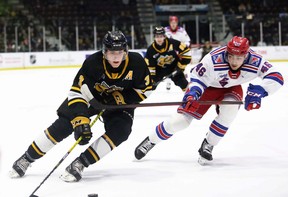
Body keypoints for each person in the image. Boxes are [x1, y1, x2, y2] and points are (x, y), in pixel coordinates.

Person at [9, 30, 152, 182]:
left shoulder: (136, 62)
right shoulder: (93, 63)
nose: (116, 56)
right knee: (63, 126)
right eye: (111, 52)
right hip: (91, 98)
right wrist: (80, 119)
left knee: (121, 131)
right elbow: (77, 91)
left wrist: (122, 98)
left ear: (125, 51)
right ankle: (27, 158)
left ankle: (80, 163)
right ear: (104, 52)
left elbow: (145, 90)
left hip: (120, 103)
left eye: (119, 51)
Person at [134, 36, 284, 165]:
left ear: (246, 55)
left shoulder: (256, 60)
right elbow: (198, 79)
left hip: (231, 88)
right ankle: (151, 140)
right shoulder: (213, 59)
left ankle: (209, 144)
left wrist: (261, 91)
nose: (234, 61)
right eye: (231, 56)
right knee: (180, 122)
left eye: (239, 57)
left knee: (229, 111)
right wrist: (192, 95)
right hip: (208, 87)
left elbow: (276, 76)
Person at [146, 26, 191, 92]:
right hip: (159, 70)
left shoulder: (172, 43)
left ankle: (191, 98)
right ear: (154, 37)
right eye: (157, 37)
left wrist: (180, 67)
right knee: (148, 86)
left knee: (184, 84)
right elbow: (150, 66)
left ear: (164, 36)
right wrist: (152, 79)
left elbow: (186, 51)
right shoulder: (151, 50)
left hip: (174, 67)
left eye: (161, 36)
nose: (159, 39)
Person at [164, 15, 191, 90]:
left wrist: (182, 49)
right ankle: (168, 80)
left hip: (180, 54)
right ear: (169, 23)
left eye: (175, 22)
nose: (173, 24)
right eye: (172, 22)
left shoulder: (182, 31)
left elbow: (187, 41)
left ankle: (182, 80)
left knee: (180, 67)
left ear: (177, 23)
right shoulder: (165, 30)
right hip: (169, 54)